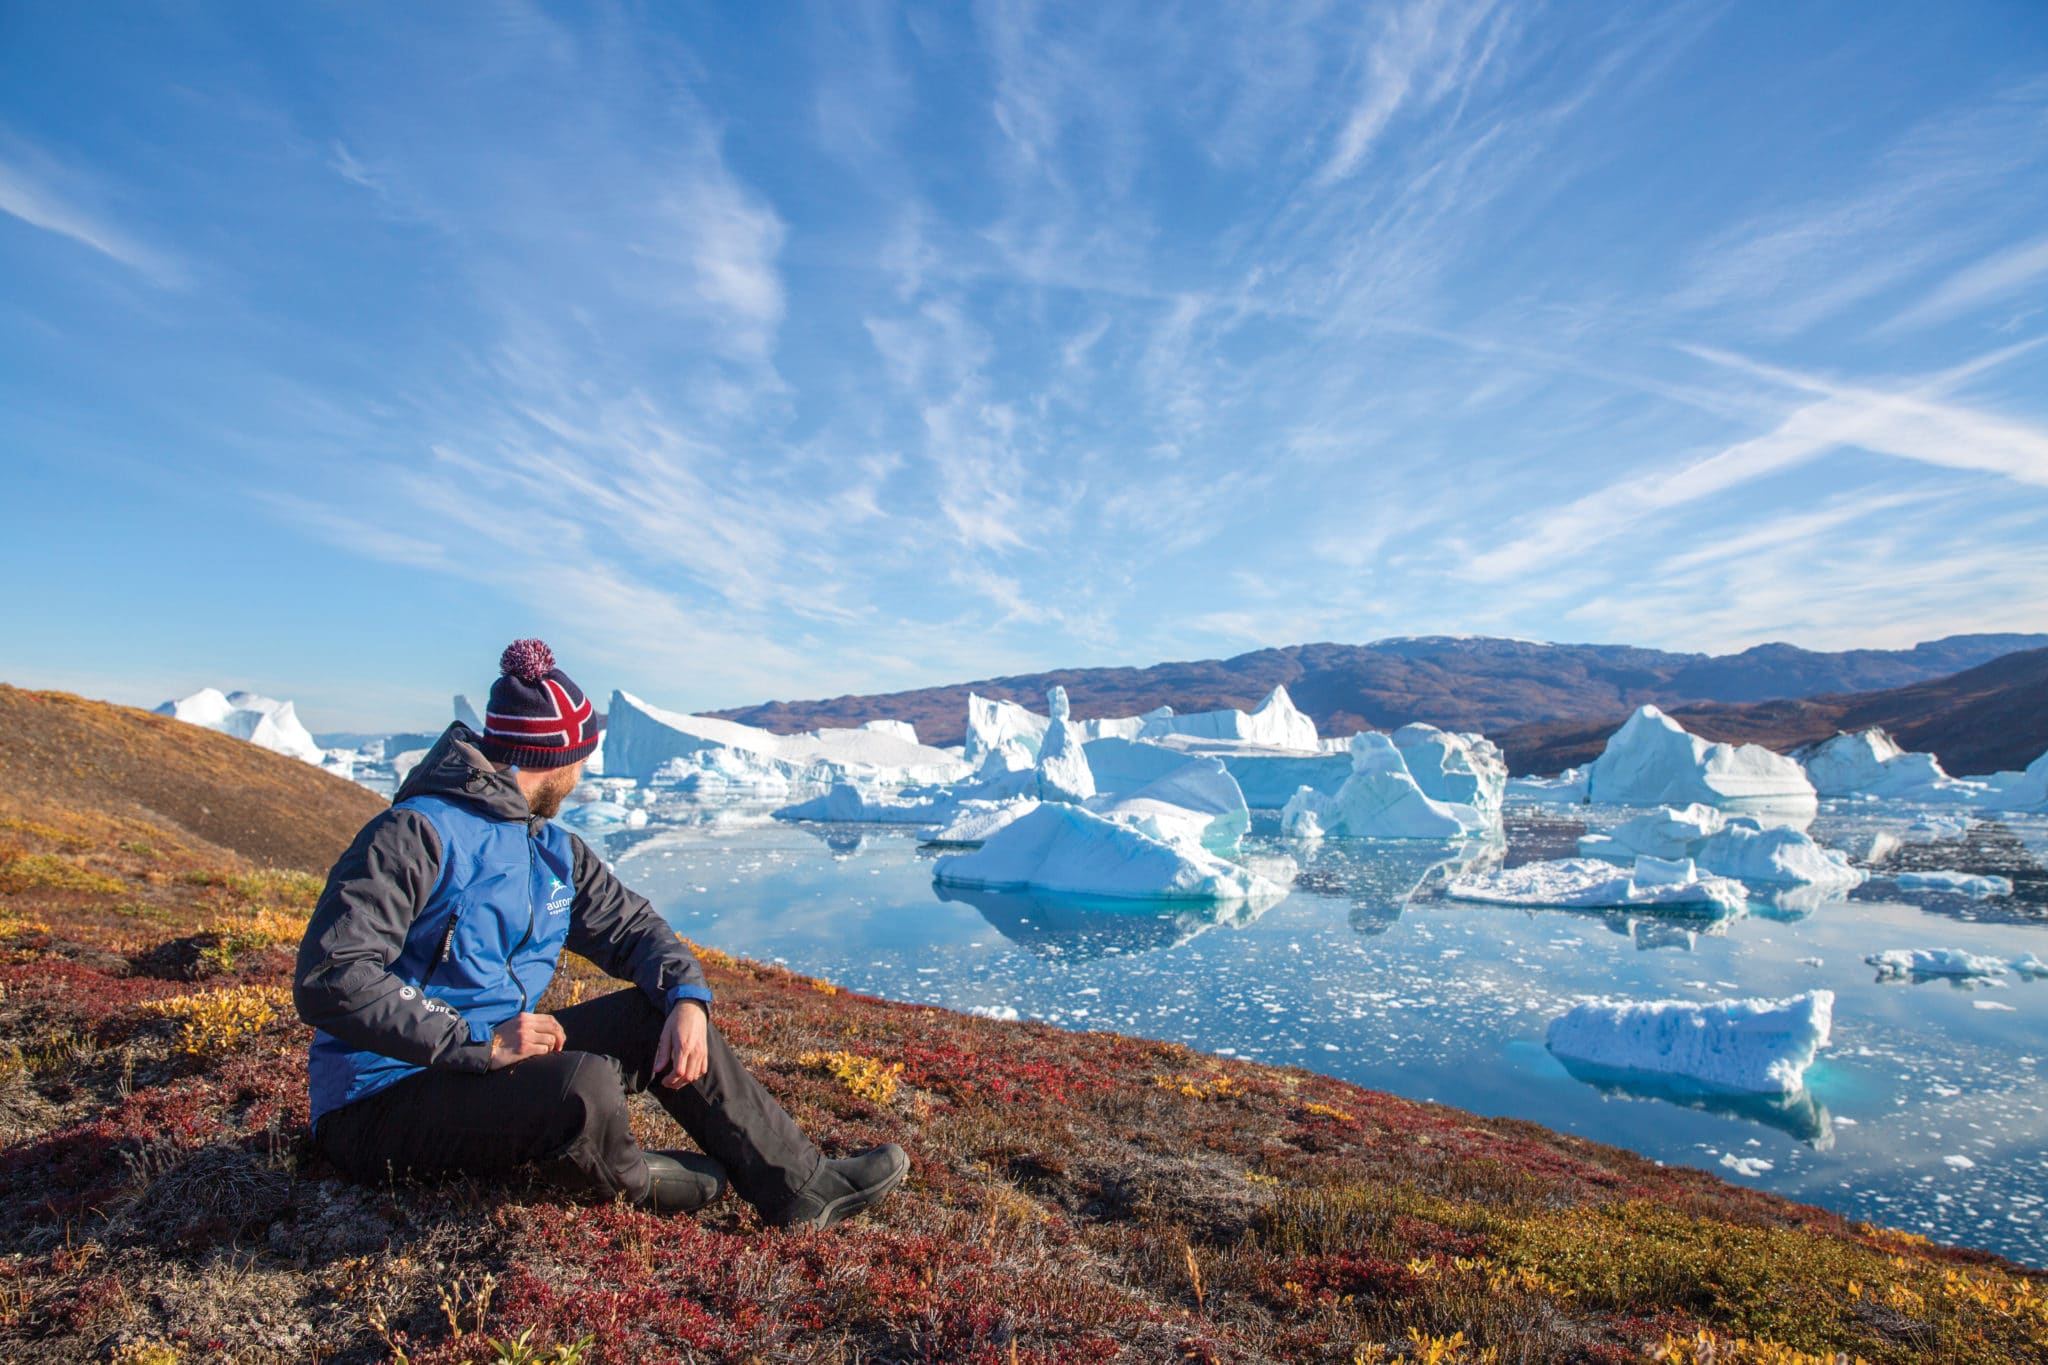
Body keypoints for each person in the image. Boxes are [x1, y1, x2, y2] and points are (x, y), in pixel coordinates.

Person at [293, 639, 907, 1226]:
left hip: (484, 1069)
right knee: (579, 1086)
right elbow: (333, 975)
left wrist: (687, 998)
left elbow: (636, 929)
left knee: (653, 1013)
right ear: (556, 757)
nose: (585, 770)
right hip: (378, 1102)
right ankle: (637, 1178)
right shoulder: (416, 833)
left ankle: (800, 1187)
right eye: (583, 756)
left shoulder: (552, 849)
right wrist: (475, 1042)